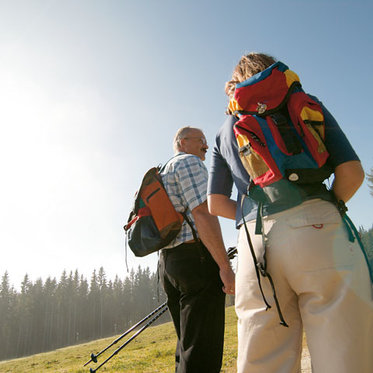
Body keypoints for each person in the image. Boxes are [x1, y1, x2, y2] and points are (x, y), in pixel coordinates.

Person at [207, 52, 373, 373]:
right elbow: (351, 172)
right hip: (318, 226)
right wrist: (327, 208)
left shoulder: (225, 130)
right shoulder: (305, 103)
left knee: (264, 360)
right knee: (345, 354)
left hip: (254, 246)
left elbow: (215, 203)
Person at [159, 126, 235, 373]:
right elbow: (203, 211)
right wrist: (224, 266)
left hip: (168, 263)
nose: (205, 145)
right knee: (202, 351)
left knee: (187, 346)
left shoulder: (163, 171)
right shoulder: (189, 162)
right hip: (196, 259)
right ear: (182, 143)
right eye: (200, 140)